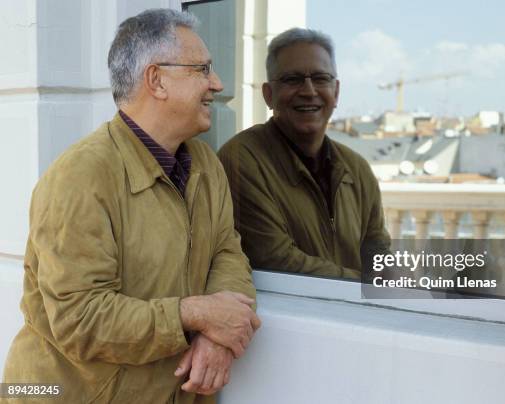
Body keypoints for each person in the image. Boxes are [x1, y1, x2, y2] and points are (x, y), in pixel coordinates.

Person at [3, 9, 260, 404]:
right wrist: (195, 314)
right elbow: (81, 320)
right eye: (202, 69)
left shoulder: (206, 165)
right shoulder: (80, 176)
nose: (217, 83)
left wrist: (217, 337)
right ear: (156, 80)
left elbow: (227, 252)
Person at [218, 28, 391, 279]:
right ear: (269, 94)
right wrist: (363, 284)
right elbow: (278, 261)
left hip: (356, 314)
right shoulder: (242, 159)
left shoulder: (357, 168)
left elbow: (379, 255)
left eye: (321, 78)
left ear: (336, 92)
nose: (309, 90)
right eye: (292, 79)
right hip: (283, 316)